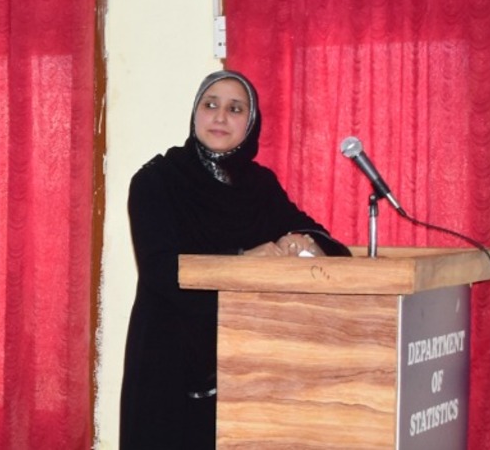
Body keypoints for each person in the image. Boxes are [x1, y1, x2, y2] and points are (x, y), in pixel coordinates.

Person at [119, 70, 350, 447]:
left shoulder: (259, 186)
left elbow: (330, 244)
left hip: (245, 361)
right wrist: (245, 259)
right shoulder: (156, 181)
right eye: (210, 105)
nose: (220, 117)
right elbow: (162, 271)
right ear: (195, 114)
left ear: (251, 123)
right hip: (170, 359)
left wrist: (302, 242)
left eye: (235, 109)